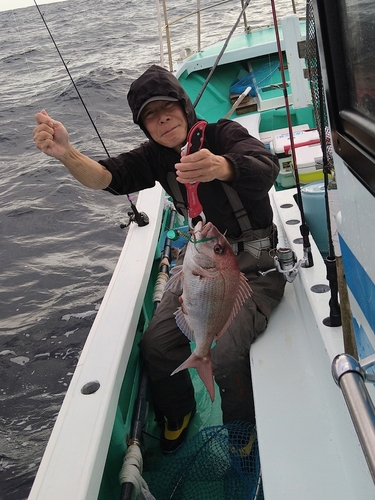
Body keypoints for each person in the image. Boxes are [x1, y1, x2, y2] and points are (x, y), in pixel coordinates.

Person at [33, 64, 285, 453]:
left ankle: (241, 433)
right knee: (156, 345)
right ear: (144, 126)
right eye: (150, 115)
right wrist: (67, 154)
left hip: (254, 261)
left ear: (184, 106)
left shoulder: (223, 134)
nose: (162, 118)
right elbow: (107, 177)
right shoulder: (155, 157)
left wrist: (222, 165)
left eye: (168, 107)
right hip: (203, 263)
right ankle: (178, 410)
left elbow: (266, 168)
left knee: (230, 356)